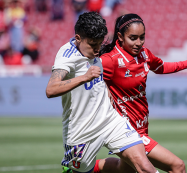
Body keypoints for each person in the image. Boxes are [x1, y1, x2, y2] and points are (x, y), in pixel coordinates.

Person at [94, 13, 187, 173]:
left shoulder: (144, 55)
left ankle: (83, 170)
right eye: (133, 38)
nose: (138, 43)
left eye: (142, 37)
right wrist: (104, 88)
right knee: (177, 166)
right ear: (120, 36)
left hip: (142, 126)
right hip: (127, 130)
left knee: (124, 170)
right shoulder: (110, 60)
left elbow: (162, 67)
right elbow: (87, 75)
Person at [45, 12, 158, 173]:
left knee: (144, 167)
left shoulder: (93, 49)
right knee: (82, 170)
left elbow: (98, 75)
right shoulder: (66, 56)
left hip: (110, 120)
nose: (98, 50)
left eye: (100, 43)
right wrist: (84, 77)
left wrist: (105, 89)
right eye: (92, 45)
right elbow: (51, 89)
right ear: (78, 38)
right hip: (81, 130)